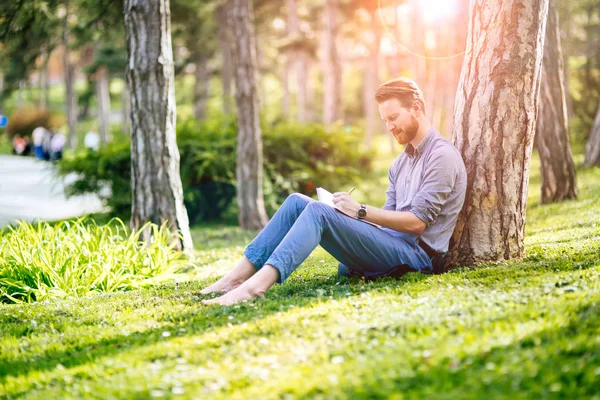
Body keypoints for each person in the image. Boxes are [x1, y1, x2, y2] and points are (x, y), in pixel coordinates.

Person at [201, 78, 467, 306]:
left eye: (393, 118)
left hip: (416, 258)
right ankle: (235, 278)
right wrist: (347, 214)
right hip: (391, 245)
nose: (389, 127)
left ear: (416, 108)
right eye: (385, 120)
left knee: (318, 211)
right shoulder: (400, 164)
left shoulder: (441, 156)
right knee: (297, 202)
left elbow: (417, 223)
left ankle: (254, 287)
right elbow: (388, 217)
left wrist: (360, 211)